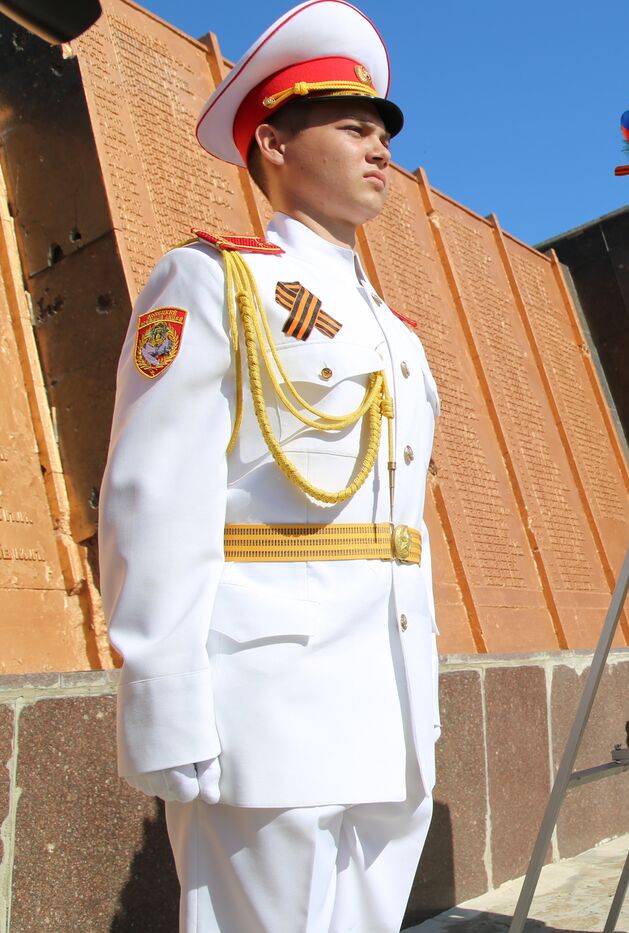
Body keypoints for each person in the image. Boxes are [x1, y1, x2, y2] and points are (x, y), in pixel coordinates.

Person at [98, 3, 440, 929]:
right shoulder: (212, 280)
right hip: (266, 707)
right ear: (275, 145)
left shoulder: (398, 333)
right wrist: (162, 697)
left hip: (392, 707)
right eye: (353, 129)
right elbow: (153, 497)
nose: (380, 151)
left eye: (384, 134)